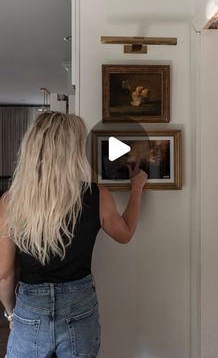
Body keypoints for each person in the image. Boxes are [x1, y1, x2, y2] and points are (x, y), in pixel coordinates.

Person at [0, 111, 147, 358]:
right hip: (79, 304)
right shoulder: (97, 195)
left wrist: (11, 312)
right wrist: (137, 189)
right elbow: (125, 233)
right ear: (71, 151)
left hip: (30, 308)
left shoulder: (11, 201)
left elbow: (4, 274)